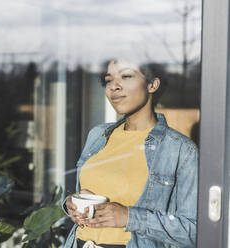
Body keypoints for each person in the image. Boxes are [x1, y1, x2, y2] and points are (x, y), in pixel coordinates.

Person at [62, 59, 198, 248]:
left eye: (126, 76)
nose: (114, 87)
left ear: (152, 84)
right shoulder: (98, 135)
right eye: (108, 80)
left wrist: (130, 217)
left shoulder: (180, 150)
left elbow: (195, 231)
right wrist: (72, 204)